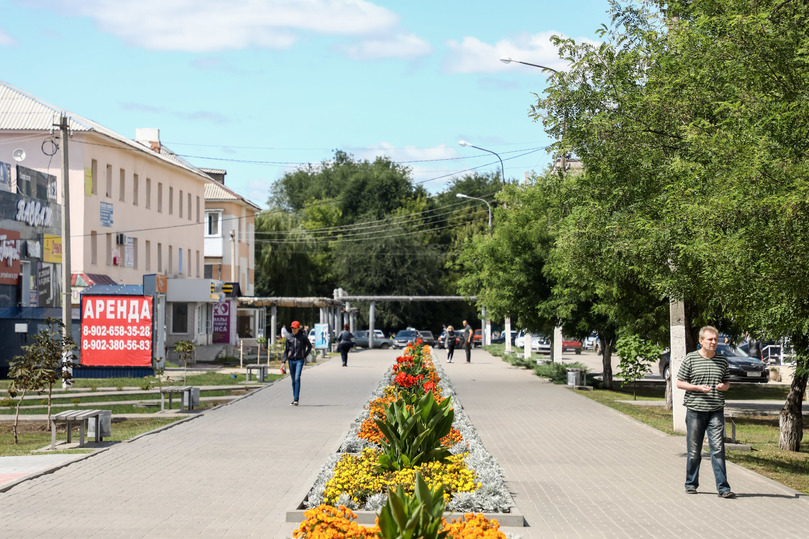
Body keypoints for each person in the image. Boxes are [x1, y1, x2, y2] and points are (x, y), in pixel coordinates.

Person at [676, 325, 735, 498]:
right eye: (710, 339)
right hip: (695, 410)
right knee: (694, 450)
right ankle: (691, 483)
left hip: (716, 410)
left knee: (718, 449)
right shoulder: (691, 359)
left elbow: (727, 383)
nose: (713, 342)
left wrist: (722, 386)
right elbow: (680, 382)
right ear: (701, 341)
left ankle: (723, 488)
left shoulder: (722, 360)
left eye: (715, 339)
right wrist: (697, 388)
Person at [283, 321, 312, 406]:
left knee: (297, 378)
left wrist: (304, 356)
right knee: (293, 380)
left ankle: (296, 399)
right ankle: (295, 398)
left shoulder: (303, 337)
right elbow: (286, 350)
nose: (294, 329)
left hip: (299, 360)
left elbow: (309, 346)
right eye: (292, 328)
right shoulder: (289, 337)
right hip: (291, 360)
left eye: (295, 328)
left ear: (298, 328)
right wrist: (283, 361)